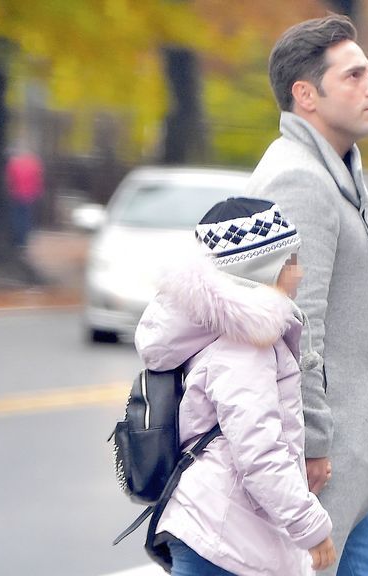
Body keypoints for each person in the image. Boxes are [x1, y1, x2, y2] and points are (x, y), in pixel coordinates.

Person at [243, 14, 368, 576]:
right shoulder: (298, 179)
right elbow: (292, 325)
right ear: (307, 95)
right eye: (353, 76)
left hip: (352, 468)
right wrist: (313, 442)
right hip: (320, 469)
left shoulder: (337, 173)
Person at [135, 197, 336, 575]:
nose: (301, 271)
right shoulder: (245, 346)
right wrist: (311, 527)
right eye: (292, 259)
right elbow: (259, 452)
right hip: (220, 535)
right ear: (264, 268)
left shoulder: (225, 336)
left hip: (216, 526)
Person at [5, 149, 44, 249]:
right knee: (26, 218)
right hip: (29, 195)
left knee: (16, 218)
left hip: (16, 195)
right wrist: (38, 192)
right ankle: (23, 240)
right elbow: (38, 179)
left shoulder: (13, 163)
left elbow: (9, 179)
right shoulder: (35, 164)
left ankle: (17, 239)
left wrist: (9, 191)